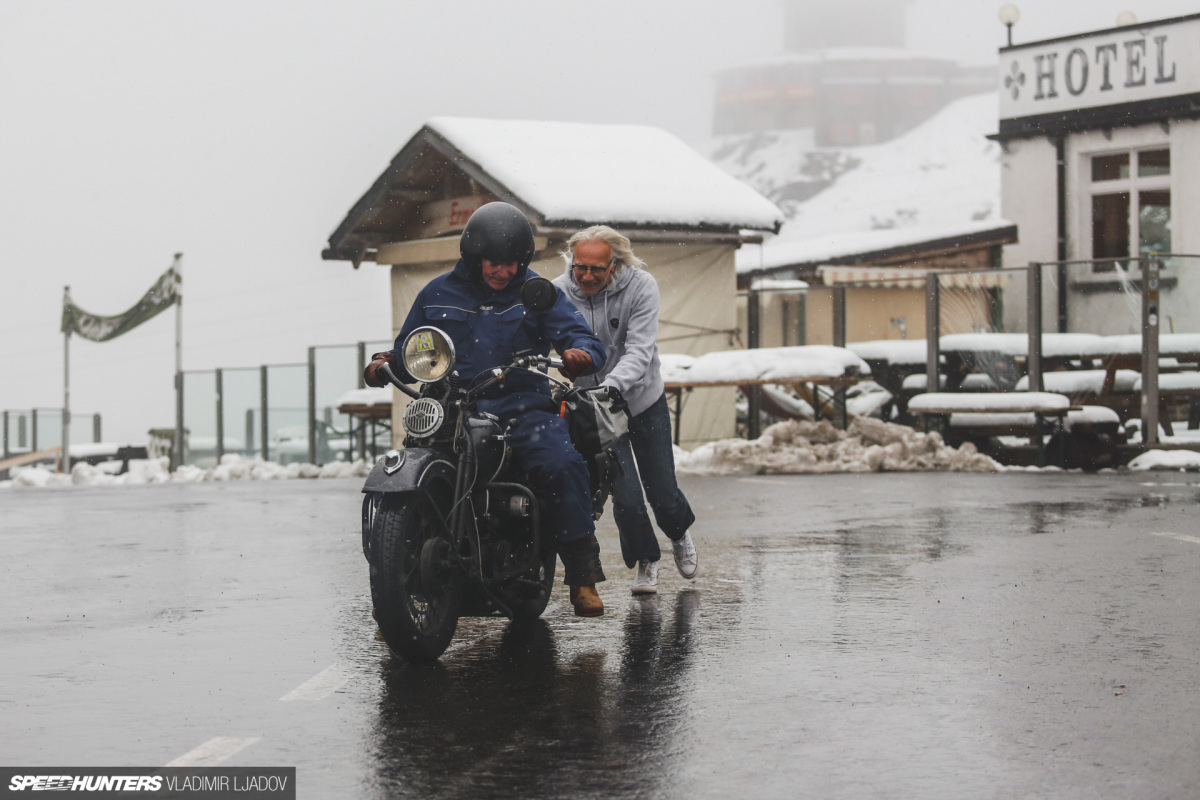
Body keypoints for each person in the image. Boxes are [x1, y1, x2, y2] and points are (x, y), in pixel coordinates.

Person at [364, 202, 609, 617]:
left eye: (513, 264)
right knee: (409, 465)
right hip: (451, 404)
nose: (504, 272)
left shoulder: (537, 293)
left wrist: (580, 353)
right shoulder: (437, 293)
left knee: (562, 462)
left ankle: (583, 574)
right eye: (495, 263)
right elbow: (414, 346)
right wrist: (386, 362)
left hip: (521, 406)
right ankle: (396, 575)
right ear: (474, 257)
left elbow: (581, 338)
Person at [552, 226, 697, 595]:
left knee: (662, 492)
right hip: (593, 409)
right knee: (627, 498)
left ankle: (678, 532)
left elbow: (640, 348)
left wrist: (613, 385)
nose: (586, 276)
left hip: (641, 398)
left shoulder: (641, 286)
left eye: (596, 269)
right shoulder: (557, 292)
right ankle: (647, 560)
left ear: (614, 265)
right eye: (579, 267)